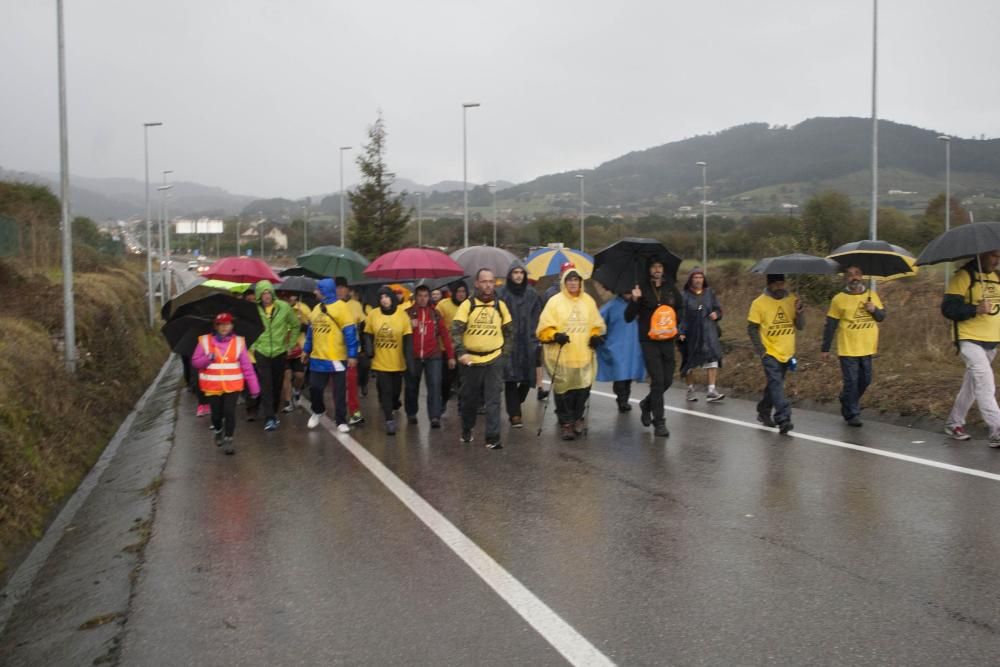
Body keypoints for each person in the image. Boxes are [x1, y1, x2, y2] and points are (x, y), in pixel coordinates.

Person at [537, 268, 606, 440]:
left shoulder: (588, 301)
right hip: (562, 356)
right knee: (563, 392)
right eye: (570, 280)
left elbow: (596, 323)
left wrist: (595, 336)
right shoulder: (554, 302)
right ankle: (566, 423)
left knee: (582, 390)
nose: (573, 283)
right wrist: (555, 335)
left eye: (576, 280)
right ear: (564, 282)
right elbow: (544, 328)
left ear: (581, 282)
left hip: (583, 355)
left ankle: (577, 418)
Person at [941, 251, 1000, 445]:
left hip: (991, 341)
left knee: (973, 386)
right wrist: (976, 309)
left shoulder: (996, 277)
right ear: (981, 255)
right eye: (994, 256)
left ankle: (954, 423)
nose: (997, 260)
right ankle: (996, 430)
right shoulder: (964, 276)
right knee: (986, 382)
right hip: (969, 339)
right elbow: (948, 309)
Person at [451, 269, 513, 449]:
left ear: (495, 284)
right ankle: (467, 428)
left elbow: (509, 332)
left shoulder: (500, 306)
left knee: (493, 400)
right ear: (477, 283)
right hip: (471, 361)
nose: (488, 285)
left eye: (491, 282)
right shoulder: (467, 305)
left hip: (494, 359)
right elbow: (456, 330)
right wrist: (461, 353)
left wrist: (505, 355)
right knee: (469, 400)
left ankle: (492, 437)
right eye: (484, 281)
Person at [625, 259, 684, 438]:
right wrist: (634, 300)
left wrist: (674, 321)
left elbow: (680, 307)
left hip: (667, 339)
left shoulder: (670, 287)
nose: (657, 269)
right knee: (658, 381)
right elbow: (628, 317)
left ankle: (646, 404)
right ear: (649, 269)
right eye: (654, 266)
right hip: (648, 341)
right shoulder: (640, 287)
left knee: (667, 381)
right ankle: (659, 422)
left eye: (660, 266)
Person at [821, 266, 886, 427]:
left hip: (867, 347)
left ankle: (846, 398)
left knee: (865, 380)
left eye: (857, 274)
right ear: (845, 278)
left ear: (862, 276)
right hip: (848, 348)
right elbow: (830, 325)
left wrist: (873, 309)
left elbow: (881, 317)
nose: (854, 278)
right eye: (850, 275)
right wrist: (825, 348)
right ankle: (852, 414)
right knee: (851, 381)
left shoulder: (871, 296)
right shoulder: (839, 299)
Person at [191, 313, 260, 455]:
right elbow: (195, 362)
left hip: (232, 386)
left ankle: (229, 439)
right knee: (216, 415)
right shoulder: (204, 341)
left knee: (229, 412)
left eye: (227, 324)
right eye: (221, 324)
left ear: (232, 326)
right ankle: (218, 430)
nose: (224, 327)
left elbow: (247, 367)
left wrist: (254, 387)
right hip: (212, 386)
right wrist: (208, 358)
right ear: (216, 326)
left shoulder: (239, 342)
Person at [747, 273, 804, 434]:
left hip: (787, 351)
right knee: (776, 383)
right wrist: (761, 351)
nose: (780, 287)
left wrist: (799, 312)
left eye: (782, 283)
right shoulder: (759, 303)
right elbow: (751, 328)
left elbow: (800, 326)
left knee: (775, 384)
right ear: (769, 284)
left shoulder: (792, 300)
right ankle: (783, 418)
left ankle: (763, 409)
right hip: (769, 351)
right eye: (776, 284)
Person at [304, 278, 359, 433]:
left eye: (317, 289)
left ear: (324, 291)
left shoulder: (342, 308)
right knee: (315, 388)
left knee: (339, 391)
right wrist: (306, 351)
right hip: (317, 358)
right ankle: (318, 410)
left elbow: (350, 333)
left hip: (336, 358)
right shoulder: (315, 309)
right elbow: (310, 333)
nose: (315, 292)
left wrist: (352, 355)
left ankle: (341, 420)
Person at [250, 280, 301, 432]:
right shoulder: (254, 310)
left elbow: (295, 325)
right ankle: (269, 417)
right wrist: (254, 346)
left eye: (268, 292)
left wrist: (290, 345)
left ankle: (273, 412)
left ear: (272, 293)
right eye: (263, 293)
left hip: (280, 352)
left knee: (277, 385)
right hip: (262, 352)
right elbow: (249, 328)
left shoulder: (283, 307)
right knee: (266, 385)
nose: (266, 296)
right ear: (259, 295)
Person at [405, 285, 456, 428]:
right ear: (415, 297)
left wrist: (451, 356)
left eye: (425, 296)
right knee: (411, 386)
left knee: (434, 385)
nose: (422, 299)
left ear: (429, 297)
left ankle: (435, 416)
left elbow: (445, 335)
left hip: (433, 355)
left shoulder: (435, 314)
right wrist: (408, 326)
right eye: (420, 296)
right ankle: (411, 413)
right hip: (413, 356)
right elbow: (400, 334)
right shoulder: (407, 313)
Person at [498, 260, 542, 428]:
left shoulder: (532, 294)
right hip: (508, 341)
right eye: (515, 272)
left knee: (526, 378)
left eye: (521, 272)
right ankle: (515, 414)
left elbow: (538, 316)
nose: (518, 275)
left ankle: (516, 402)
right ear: (510, 275)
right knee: (510, 378)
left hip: (527, 341)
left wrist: (536, 338)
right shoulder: (501, 294)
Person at [364, 287, 413, 435]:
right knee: (386, 390)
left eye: (386, 296)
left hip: (398, 362)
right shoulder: (373, 314)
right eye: (381, 297)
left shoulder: (402, 315)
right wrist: (368, 349)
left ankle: (393, 404)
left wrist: (409, 360)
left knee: (395, 392)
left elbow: (407, 339)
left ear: (392, 298)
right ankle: (389, 420)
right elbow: (367, 333)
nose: (384, 299)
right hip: (381, 361)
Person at [678, 267, 725, 403]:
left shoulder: (709, 293)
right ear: (690, 279)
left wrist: (717, 314)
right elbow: (681, 316)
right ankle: (690, 390)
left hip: (709, 331)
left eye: (700, 277)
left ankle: (711, 390)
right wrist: (680, 332)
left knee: (712, 360)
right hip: (691, 333)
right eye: (695, 277)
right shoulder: (684, 296)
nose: (698, 280)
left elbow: (718, 308)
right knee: (689, 363)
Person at [597, 291, 645, 413]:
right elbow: (598, 321)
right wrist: (599, 337)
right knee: (620, 374)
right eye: (626, 290)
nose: (628, 293)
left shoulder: (639, 305)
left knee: (628, 374)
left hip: (633, 345)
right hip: (616, 345)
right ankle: (622, 399)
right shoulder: (611, 306)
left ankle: (625, 398)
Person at [335, 277, 366, 426]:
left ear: (348, 289)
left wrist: (362, 348)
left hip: (352, 352)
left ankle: (354, 412)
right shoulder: (329, 305)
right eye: (337, 287)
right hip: (333, 352)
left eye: (342, 287)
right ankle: (339, 412)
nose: (340, 290)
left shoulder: (356, 305)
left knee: (352, 383)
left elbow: (362, 326)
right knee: (338, 385)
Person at [278, 290, 312, 413]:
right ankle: (288, 402)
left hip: (299, 348)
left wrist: (302, 324)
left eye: (290, 297)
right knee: (286, 375)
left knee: (299, 376)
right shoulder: (278, 309)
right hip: (283, 348)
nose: (288, 299)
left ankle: (297, 390)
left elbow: (312, 324)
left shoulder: (303, 308)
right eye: (285, 297)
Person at [437, 281, 468, 412]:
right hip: (446, 348)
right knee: (447, 380)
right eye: (458, 291)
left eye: (463, 291)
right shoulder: (443, 305)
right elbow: (437, 324)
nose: (461, 294)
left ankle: (462, 405)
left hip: (464, 348)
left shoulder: (469, 305)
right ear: (453, 292)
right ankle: (443, 400)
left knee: (464, 379)